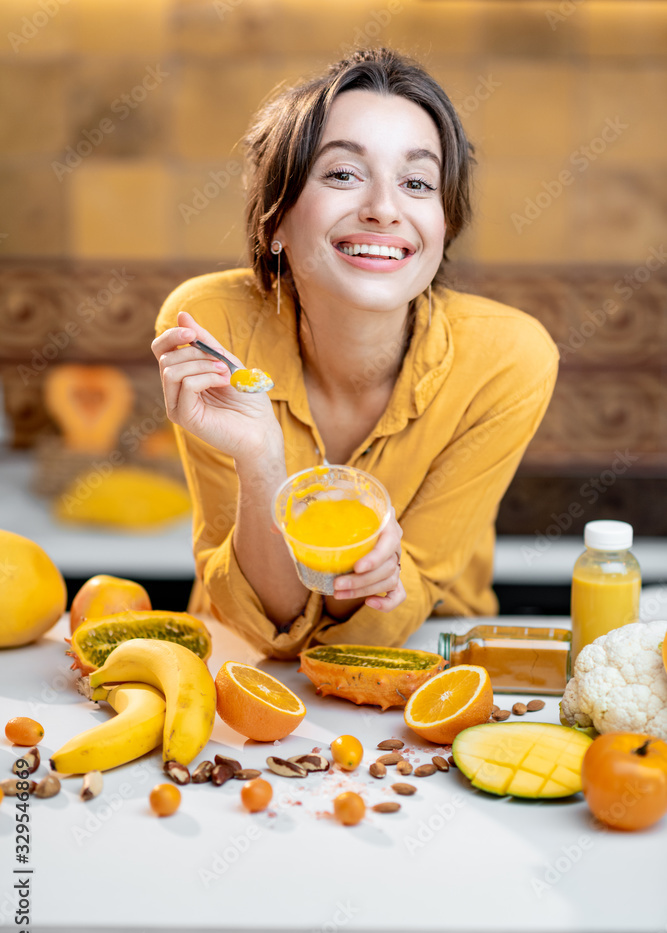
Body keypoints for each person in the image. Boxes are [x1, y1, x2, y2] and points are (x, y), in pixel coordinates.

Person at [152, 47, 558, 659]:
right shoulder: (214, 327)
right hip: (239, 673)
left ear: (444, 225)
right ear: (276, 221)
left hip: (427, 665)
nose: (384, 209)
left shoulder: (509, 360)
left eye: (417, 182)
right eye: (343, 174)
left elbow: (388, 622)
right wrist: (260, 456)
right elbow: (271, 625)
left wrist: (380, 575)